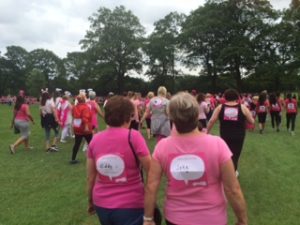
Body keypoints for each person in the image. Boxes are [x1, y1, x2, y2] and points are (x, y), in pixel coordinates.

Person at [143, 92, 248, 225]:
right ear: (196, 114)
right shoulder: (217, 144)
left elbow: (152, 186)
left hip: (176, 218)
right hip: (212, 218)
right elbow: (233, 189)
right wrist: (242, 220)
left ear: (171, 117)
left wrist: (148, 218)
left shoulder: (162, 146)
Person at [87, 96, 151, 225]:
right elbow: (151, 169)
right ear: (128, 116)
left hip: (101, 204)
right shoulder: (134, 136)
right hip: (131, 204)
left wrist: (90, 201)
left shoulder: (95, 139)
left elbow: (90, 177)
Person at [207, 89, 254, 173]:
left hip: (225, 134)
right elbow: (252, 121)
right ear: (237, 97)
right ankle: (233, 171)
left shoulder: (220, 107)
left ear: (225, 97)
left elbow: (211, 121)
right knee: (235, 154)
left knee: (225, 154)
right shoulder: (242, 107)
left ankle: (227, 171)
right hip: (239, 135)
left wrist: (206, 132)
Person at [70, 93, 93, 164]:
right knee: (91, 143)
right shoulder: (86, 107)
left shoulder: (74, 107)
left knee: (77, 144)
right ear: (84, 99)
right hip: (85, 128)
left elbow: (73, 114)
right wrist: (86, 127)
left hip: (77, 128)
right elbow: (85, 118)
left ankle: (73, 159)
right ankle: (95, 157)